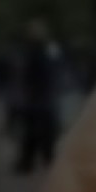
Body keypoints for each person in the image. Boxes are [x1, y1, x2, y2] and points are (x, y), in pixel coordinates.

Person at [15, 19, 62, 175]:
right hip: (39, 98)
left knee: (37, 131)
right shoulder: (41, 51)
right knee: (38, 131)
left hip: (39, 98)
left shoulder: (39, 51)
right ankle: (35, 161)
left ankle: (30, 162)